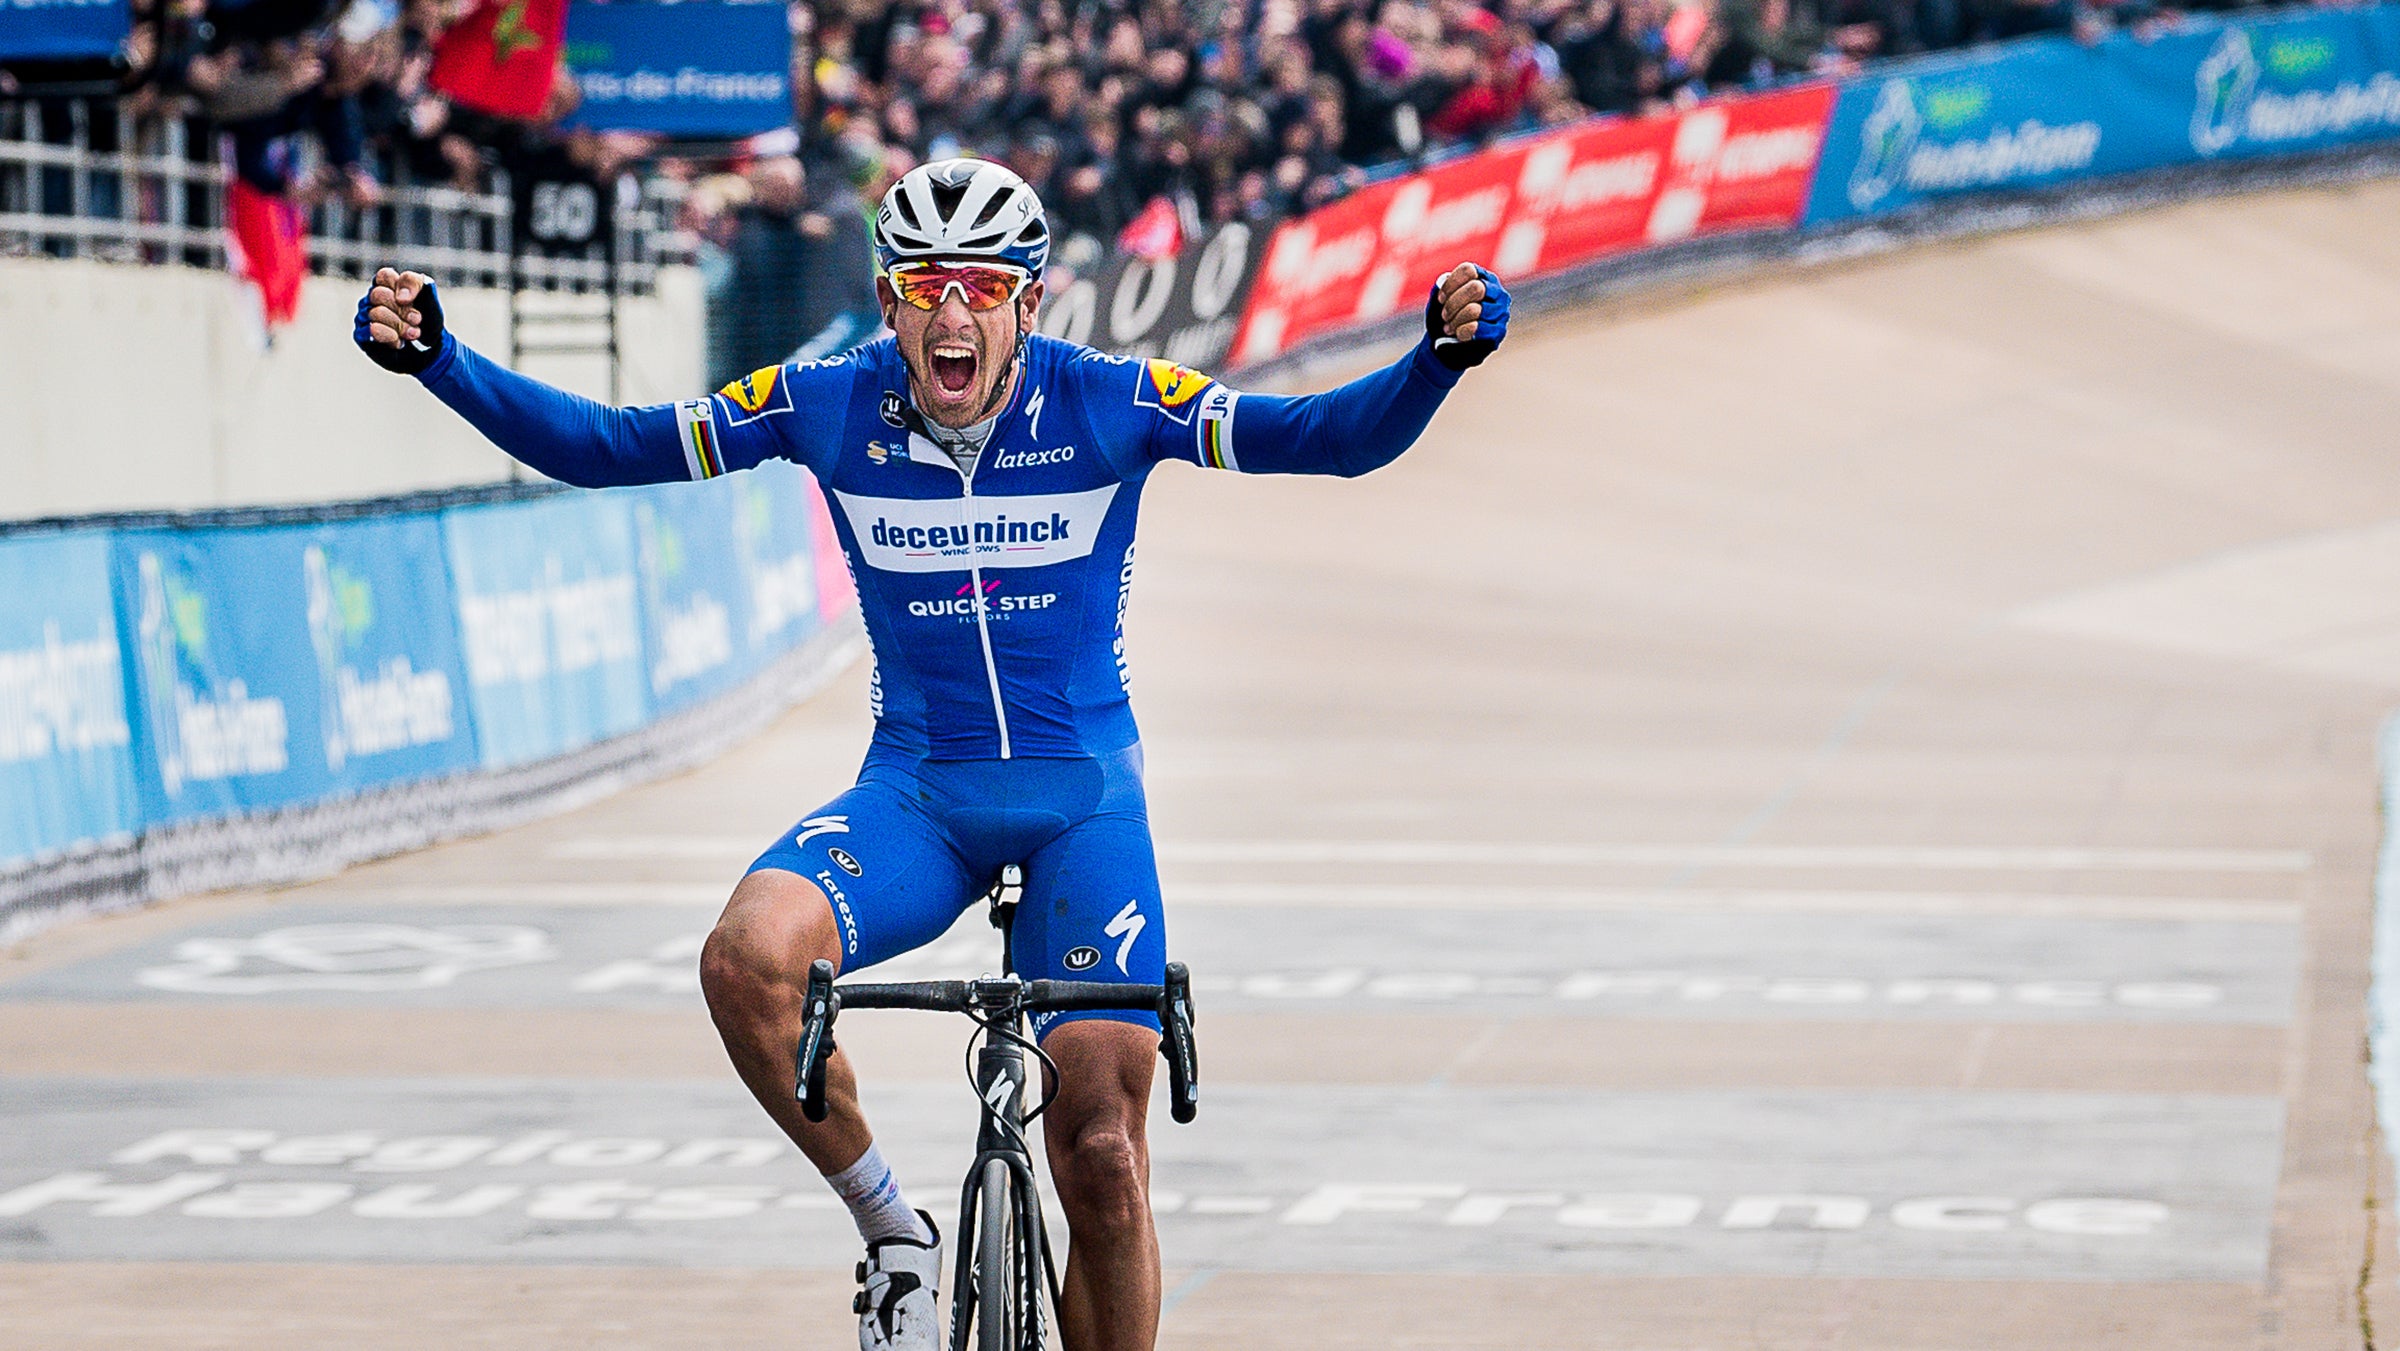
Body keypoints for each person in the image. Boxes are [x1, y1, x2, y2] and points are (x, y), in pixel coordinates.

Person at [354, 157, 1509, 1351]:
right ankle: (895, 1234)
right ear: (890, 300)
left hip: (1082, 804)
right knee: (746, 960)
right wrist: (442, 360)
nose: (951, 314)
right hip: (919, 793)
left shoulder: (1113, 399)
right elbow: (611, 444)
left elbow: (1321, 436)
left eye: (981, 286)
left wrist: (1431, 360)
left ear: (1030, 299)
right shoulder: (824, 402)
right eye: (921, 286)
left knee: (1103, 1152)